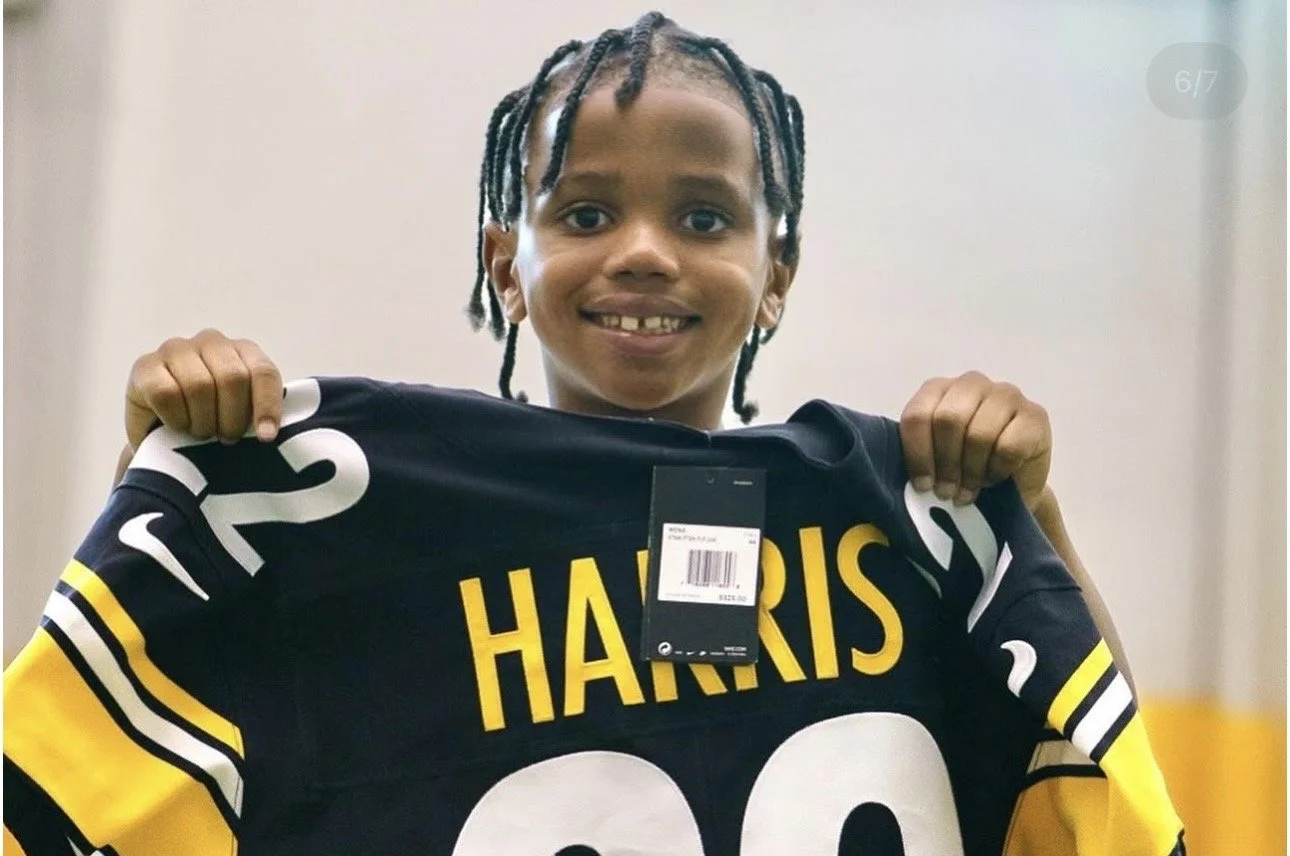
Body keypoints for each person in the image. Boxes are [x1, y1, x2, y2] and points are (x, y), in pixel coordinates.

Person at [5, 11, 1182, 854]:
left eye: (704, 216)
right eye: (585, 212)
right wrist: (175, 470)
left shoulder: (896, 511)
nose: (645, 252)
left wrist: (1029, 519)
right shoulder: (345, 511)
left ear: (776, 274)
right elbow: (143, 748)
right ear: (505, 267)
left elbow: (1085, 776)